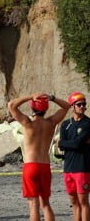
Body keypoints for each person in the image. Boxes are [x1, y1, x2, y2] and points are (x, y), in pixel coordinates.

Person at [8, 93, 69, 221]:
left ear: (32, 108)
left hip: (31, 165)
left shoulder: (28, 123)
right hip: (45, 166)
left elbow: (12, 105)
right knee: (46, 204)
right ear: (46, 109)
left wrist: (30, 96)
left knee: (33, 205)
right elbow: (66, 106)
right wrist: (52, 98)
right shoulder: (51, 123)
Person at [58, 91, 90, 221]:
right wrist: (66, 143)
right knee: (74, 202)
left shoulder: (88, 123)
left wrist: (65, 143)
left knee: (83, 202)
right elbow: (61, 145)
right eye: (79, 104)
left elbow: (76, 144)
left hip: (83, 168)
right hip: (68, 168)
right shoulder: (65, 124)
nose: (82, 107)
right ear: (72, 106)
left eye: (84, 104)